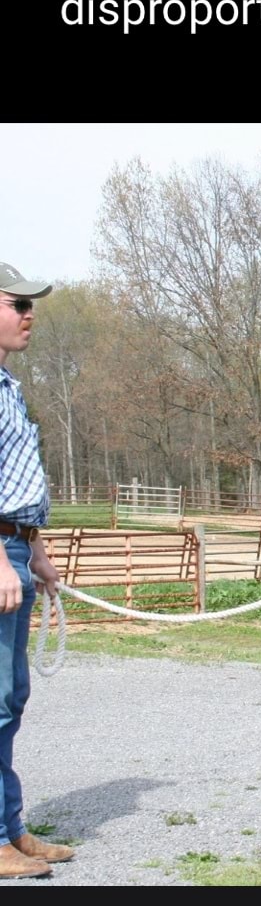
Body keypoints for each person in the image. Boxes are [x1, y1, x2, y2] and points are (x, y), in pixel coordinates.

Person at [0, 262, 74, 879]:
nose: (29, 315)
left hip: (16, 547)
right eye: (16, 304)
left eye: (31, 306)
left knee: (10, 697)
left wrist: (36, 550)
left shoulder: (8, 386)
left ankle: (12, 830)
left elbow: (15, 482)